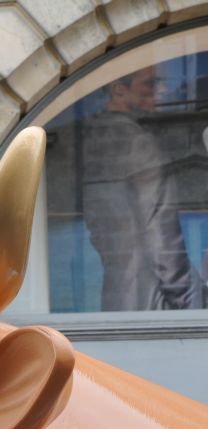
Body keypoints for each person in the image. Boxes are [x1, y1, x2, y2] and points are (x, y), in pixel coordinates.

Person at [80, 67, 204, 310]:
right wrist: (192, 309)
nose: (163, 90)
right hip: (153, 301)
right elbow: (162, 238)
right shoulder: (139, 143)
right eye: (151, 83)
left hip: (118, 295)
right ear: (118, 89)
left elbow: (99, 228)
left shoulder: (92, 140)